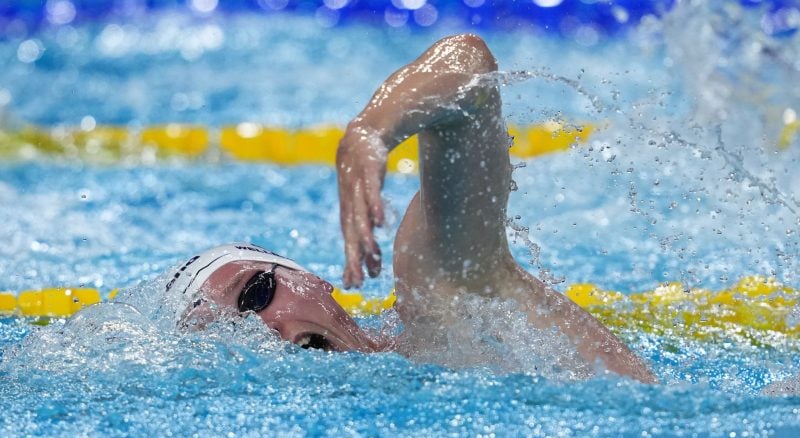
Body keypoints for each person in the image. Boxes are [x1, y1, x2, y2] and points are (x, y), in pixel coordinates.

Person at [169, 34, 657, 384]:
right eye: (229, 332)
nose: (263, 329)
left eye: (256, 293)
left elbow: (470, 68)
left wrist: (369, 129)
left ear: (312, 280)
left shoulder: (442, 300)